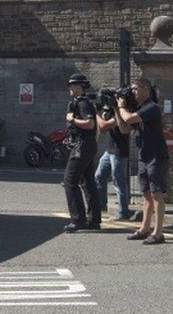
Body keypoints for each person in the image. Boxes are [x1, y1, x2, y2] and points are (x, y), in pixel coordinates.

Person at [112, 77, 168, 244]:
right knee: (146, 195)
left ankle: (158, 233)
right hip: (144, 156)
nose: (133, 92)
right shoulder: (139, 109)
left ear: (146, 89)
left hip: (156, 156)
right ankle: (144, 229)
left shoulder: (152, 107)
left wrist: (122, 107)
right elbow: (124, 129)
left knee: (156, 194)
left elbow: (129, 119)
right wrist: (116, 108)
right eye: (132, 89)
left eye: (136, 89)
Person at [62, 73, 102, 233]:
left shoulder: (83, 103)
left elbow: (90, 124)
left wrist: (72, 119)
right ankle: (94, 219)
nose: (70, 88)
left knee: (70, 181)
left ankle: (78, 220)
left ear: (80, 86)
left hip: (82, 145)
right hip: (86, 144)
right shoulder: (81, 102)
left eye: (72, 85)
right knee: (88, 182)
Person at [95, 103, 135, 221]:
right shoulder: (111, 113)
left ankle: (123, 212)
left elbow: (103, 126)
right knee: (99, 176)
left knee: (118, 181)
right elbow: (101, 130)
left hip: (119, 151)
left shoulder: (120, 114)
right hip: (109, 150)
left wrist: (96, 113)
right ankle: (102, 205)